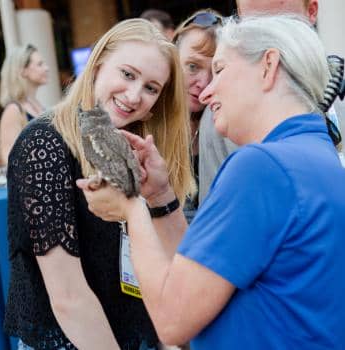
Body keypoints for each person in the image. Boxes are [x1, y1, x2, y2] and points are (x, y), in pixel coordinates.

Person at [78, 15, 345, 349]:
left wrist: (132, 209)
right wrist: (161, 196)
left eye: (219, 70)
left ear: (268, 65)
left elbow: (172, 320)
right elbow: (197, 279)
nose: (206, 92)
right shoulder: (316, 154)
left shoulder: (261, 168)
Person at [4, 18, 194, 350]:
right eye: (128, 74)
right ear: (98, 65)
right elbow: (69, 298)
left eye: (151, 87)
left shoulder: (139, 146)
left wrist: (160, 196)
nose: (135, 95)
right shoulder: (44, 144)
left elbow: (177, 268)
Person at [198, 0, 343, 204]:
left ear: (311, 11)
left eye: (279, 21)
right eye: (252, 24)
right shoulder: (220, 118)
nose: (266, 36)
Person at [172, 9, 223, 221]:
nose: (204, 82)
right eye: (192, 66)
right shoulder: (145, 124)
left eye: (216, 70)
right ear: (172, 60)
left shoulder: (228, 132)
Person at [0, 44, 48, 167]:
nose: (46, 68)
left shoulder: (39, 106)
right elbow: (10, 161)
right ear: (23, 71)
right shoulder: (13, 110)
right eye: (40, 64)